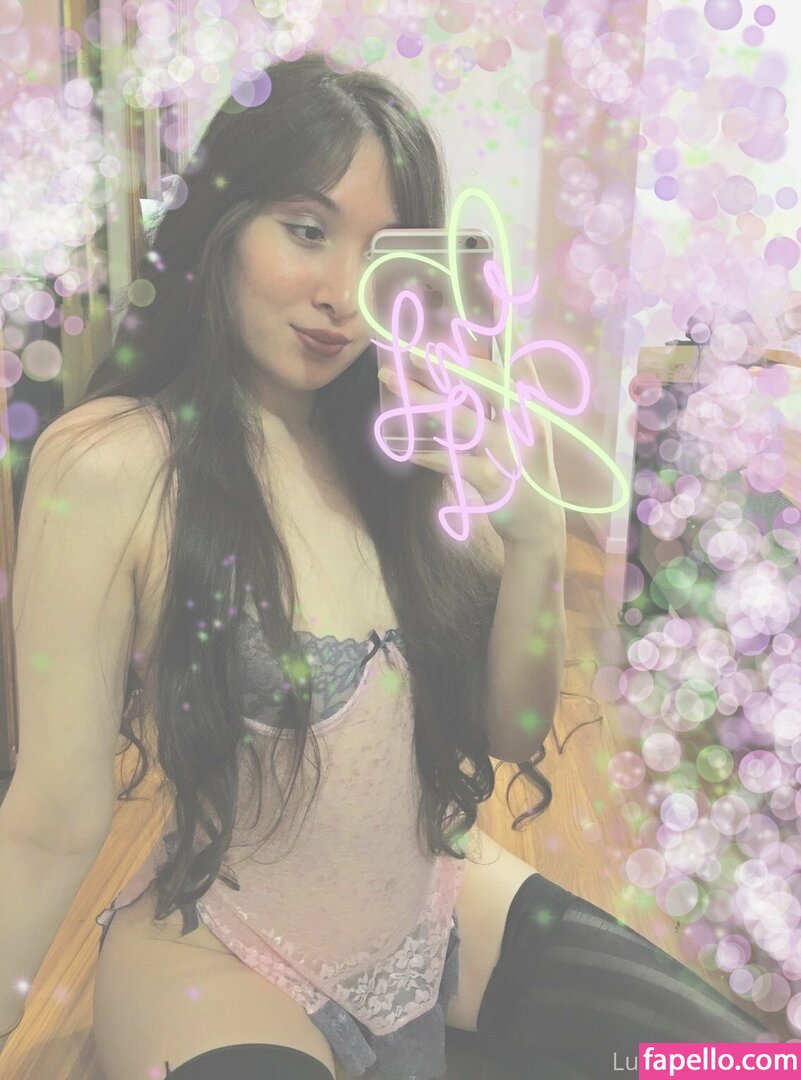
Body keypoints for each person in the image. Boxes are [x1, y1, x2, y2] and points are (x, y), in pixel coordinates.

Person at [1, 52, 772, 1080]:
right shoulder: (115, 464)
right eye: (305, 230)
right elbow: (51, 824)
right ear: (223, 225)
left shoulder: (412, 459)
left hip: (440, 908)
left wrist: (536, 538)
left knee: (743, 1064)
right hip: (219, 958)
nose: (340, 295)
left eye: (381, 252)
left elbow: (512, 731)